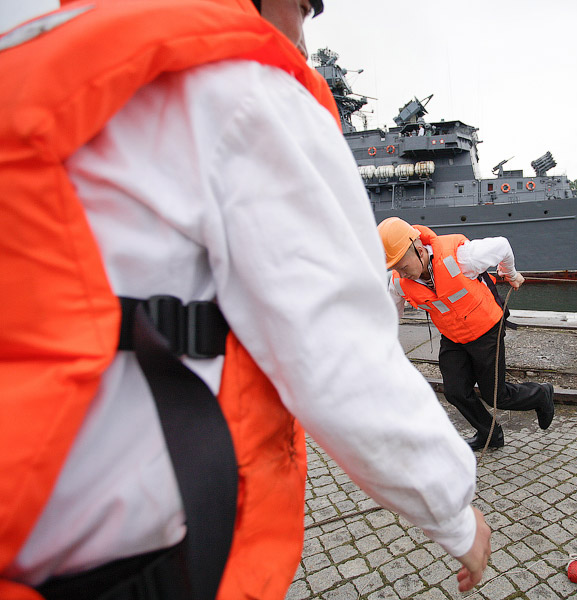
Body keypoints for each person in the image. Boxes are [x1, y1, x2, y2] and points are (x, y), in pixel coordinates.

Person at [0, 1, 492, 599]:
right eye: (300, 11)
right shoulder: (244, 88)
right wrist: (453, 511)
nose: (303, 46)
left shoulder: (30, 53)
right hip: (154, 560)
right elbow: (340, 355)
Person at [378, 217, 555, 451]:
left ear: (419, 250)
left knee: (496, 396)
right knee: (455, 391)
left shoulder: (462, 257)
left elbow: (502, 245)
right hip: (453, 336)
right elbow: (390, 317)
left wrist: (509, 273)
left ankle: (541, 394)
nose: (402, 273)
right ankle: (490, 434)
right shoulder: (399, 282)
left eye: (403, 266)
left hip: (486, 330)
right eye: (395, 268)